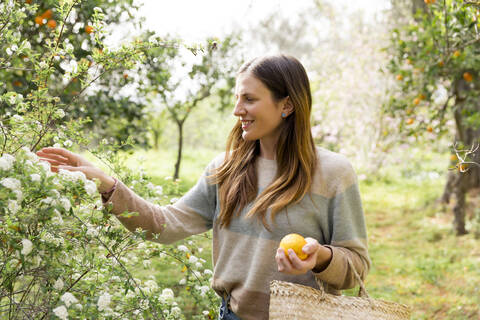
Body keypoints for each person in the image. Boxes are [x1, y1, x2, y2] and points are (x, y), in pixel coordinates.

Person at [36, 54, 370, 320]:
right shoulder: (225, 169)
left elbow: (356, 266)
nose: (237, 110)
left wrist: (320, 258)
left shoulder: (333, 173)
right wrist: (107, 184)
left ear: (287, 105)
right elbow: (164, 225)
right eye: (237, 98)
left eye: (249, 99)